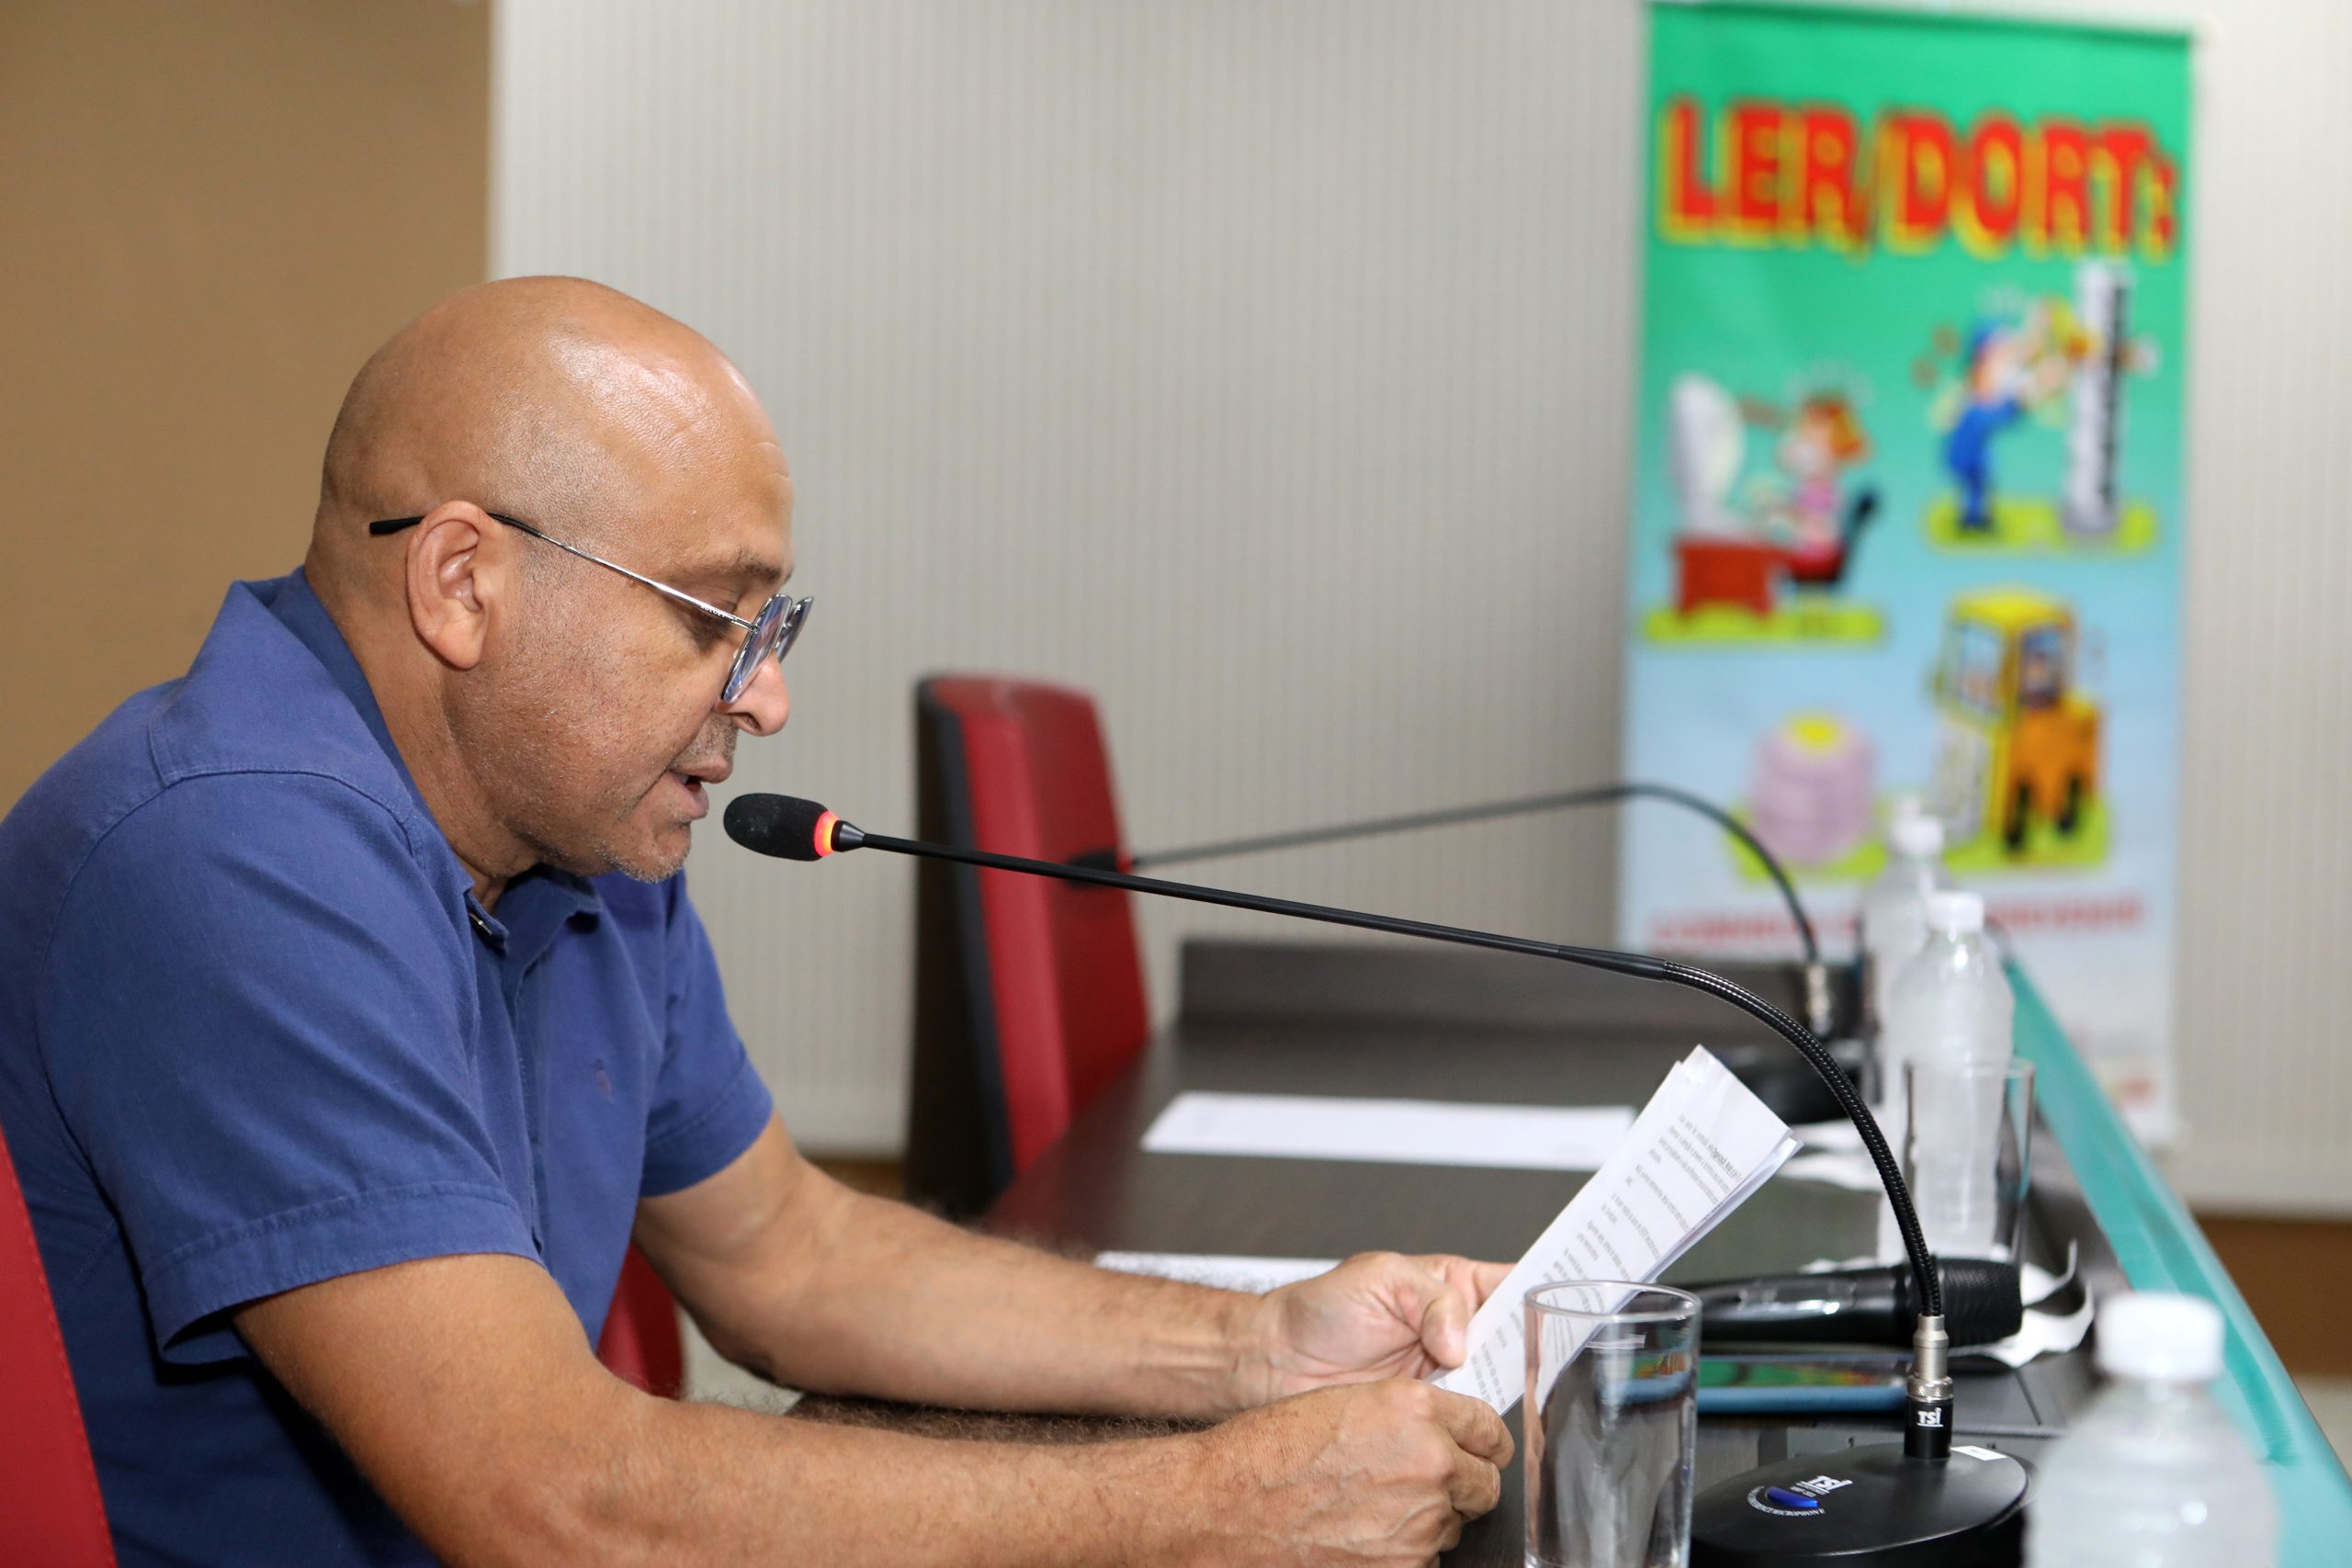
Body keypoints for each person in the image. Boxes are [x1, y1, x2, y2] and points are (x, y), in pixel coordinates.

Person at [0, 277, 1512, 1566]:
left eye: (772, 629)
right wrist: (1215, 1507)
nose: (767, 697)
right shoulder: (224, 852)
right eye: (715, 618)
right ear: (464, 582)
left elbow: (791, 1258)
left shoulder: (571, 834)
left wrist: (1252, 1354)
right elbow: (550, 1501)